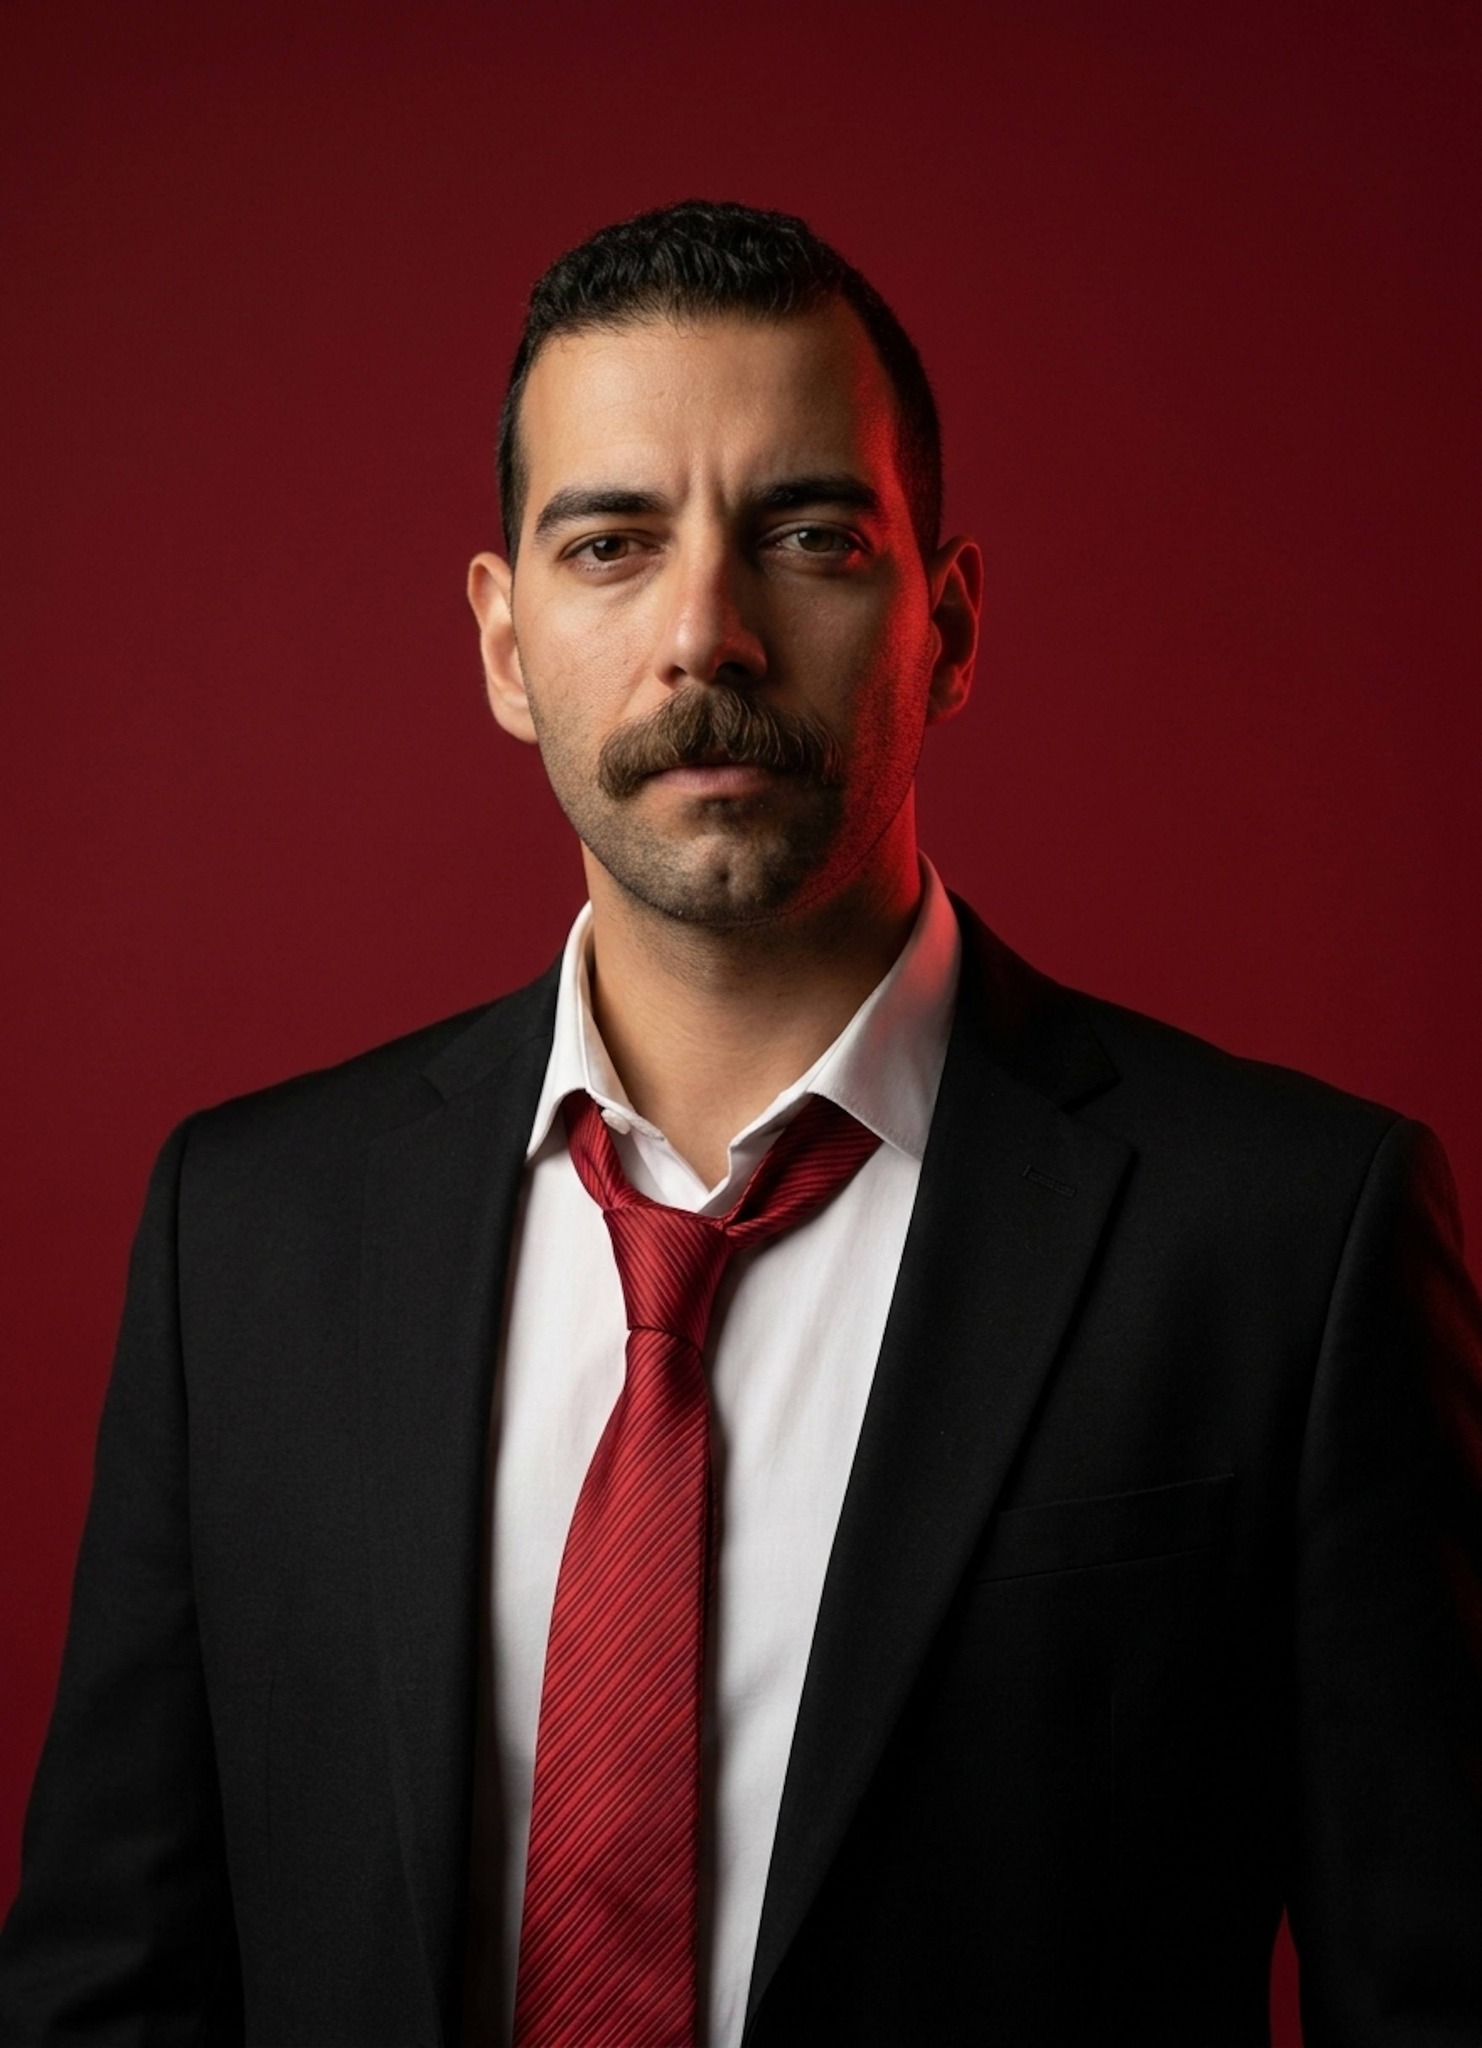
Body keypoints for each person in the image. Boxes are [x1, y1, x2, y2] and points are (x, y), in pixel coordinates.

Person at [1, 199, 1478, 2048]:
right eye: (611, 545)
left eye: (807, 537)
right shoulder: (246, 1236)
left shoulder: (1286, 1241)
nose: (707, 634)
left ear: (947, 624)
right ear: (505, 643)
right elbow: (108, 1995)